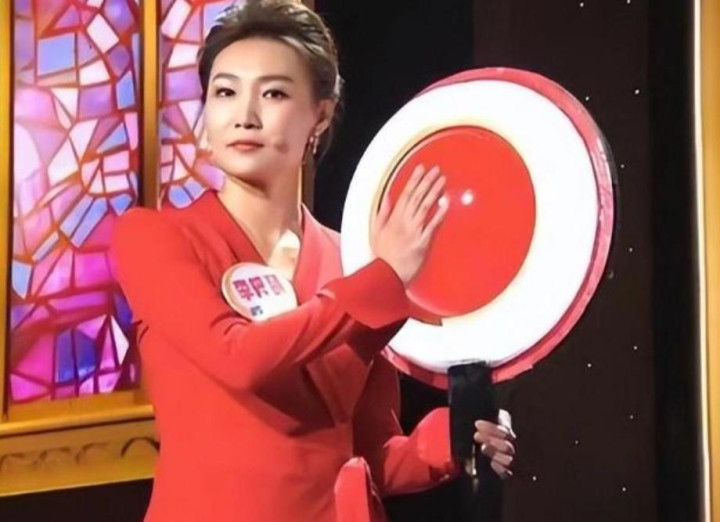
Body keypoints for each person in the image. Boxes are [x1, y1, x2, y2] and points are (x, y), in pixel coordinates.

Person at [110, 1, 515, 520]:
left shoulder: (353, 261)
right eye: (225, 92)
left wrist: (450, 441)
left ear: (320, 115)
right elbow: (239, 359)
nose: (245, 115)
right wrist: (381, 280)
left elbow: (366, 453)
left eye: (274, 93)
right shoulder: (156, 238)